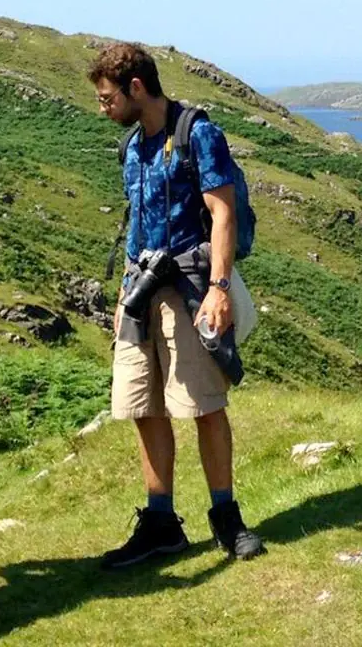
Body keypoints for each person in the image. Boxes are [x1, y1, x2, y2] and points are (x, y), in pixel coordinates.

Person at [89, 42, 265, 568]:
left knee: (204, 405)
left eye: (107, 98)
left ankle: (227, 517)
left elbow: (222, 214)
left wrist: (218, 288)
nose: (103, 108)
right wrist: (124, 291)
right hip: (139, 290)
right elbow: (137, 221)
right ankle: (161, 522)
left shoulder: (198, 134)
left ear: (136, 87)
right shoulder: (132, 145)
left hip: (189, 289)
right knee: (142, 406)